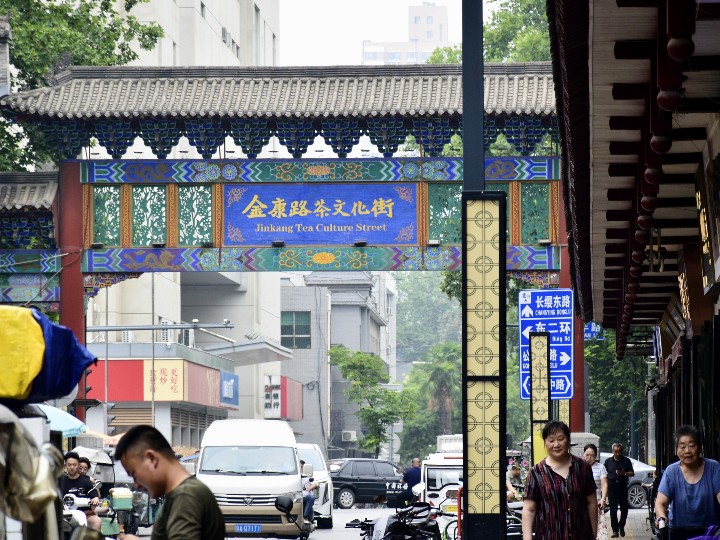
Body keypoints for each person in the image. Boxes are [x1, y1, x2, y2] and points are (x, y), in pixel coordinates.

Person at [114, 425, 225, 540]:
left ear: (151, 459)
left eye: (134, 474)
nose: (137, 485)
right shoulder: (182, 494)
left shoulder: (185, 496)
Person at [522, 420, 597, 540]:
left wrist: (593, 534)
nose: (556, 444)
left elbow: (591, 503)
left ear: (568, 440)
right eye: (551, 440)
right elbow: (529, 510)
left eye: (561, 439)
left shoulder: (583, 467)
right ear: (545, 443)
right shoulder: (536, 472)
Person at [654, 425, 720, 540]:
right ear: (676, 450)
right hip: (678, 532)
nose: (687, 451)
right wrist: (661, 518)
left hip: (710, 532)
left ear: (700, 448)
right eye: (682, 447)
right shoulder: (671, 471)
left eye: (692, 446)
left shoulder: (713, 467)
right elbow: (661, 503)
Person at [61, 451, 103, 532]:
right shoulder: (60, 482)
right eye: (69, 465)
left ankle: (91, 537)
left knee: (97, 521)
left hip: (85, 513)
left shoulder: (86, 481)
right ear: (65, 465)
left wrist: (95, 499)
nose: (72, 467)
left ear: (78, 465)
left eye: (74, 465)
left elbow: (94, 494)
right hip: (65, 513)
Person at [603, 443, 634, 538]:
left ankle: (621, 525)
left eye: (619, 452)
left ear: (622, 451)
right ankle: (615, 530)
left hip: (622, 487)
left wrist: (624, 473)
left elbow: (632, 473)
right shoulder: (608, 461)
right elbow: (604, 474)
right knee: (613, 509)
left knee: (624, 509)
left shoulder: (626, 461)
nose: (617, 454)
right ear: (613, 451)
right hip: (612, 488)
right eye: (615, 452)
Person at [583, 443, 608, 540]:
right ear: (583, 454)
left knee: (596, 529)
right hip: (581, 502)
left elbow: (604, 484)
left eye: (592, 455)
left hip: (596, 502)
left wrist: (603, 499)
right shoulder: (578, 467)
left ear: (596, 456)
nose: (589, 458)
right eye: (587, 455)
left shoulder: (600, 467)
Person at [299, 459, 318, 525]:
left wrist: (310, 487)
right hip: (296, 497)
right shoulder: (293, 476)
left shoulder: (308, 476)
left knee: (311, 497)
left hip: (306, 497)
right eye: (300, 467)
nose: (301, 469)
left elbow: (316, 484)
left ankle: (305, 517)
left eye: (302, 467)